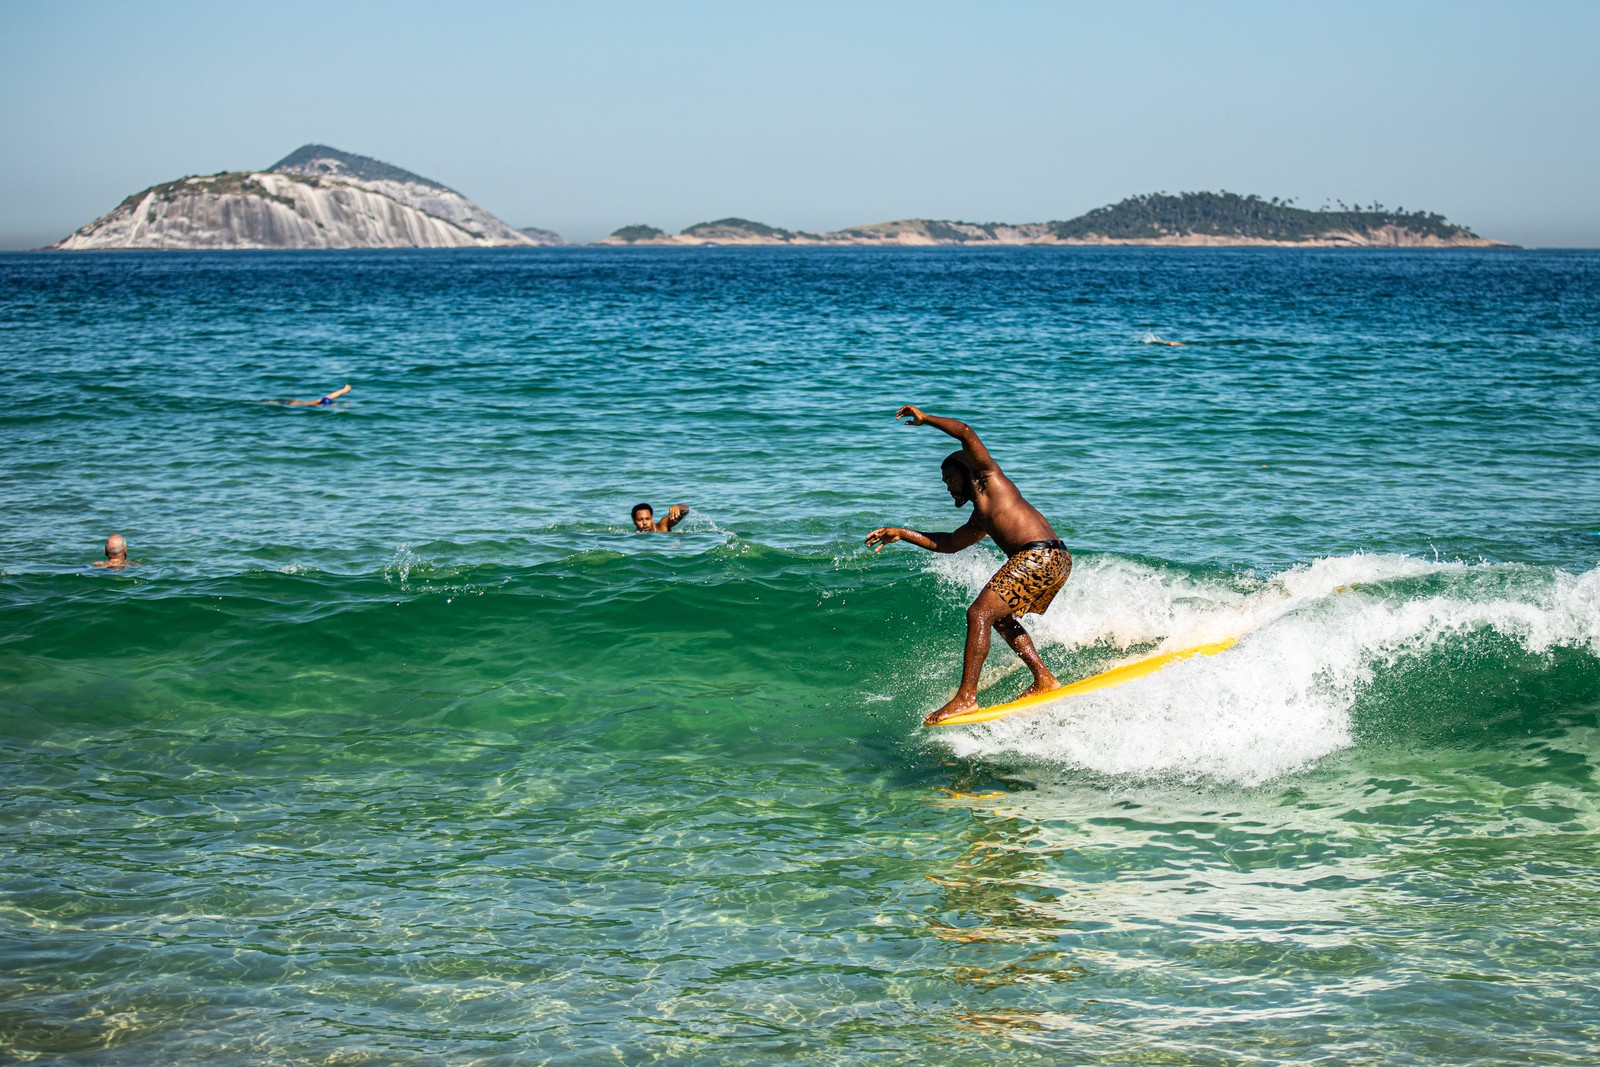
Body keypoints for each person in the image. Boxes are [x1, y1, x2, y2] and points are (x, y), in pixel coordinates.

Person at [866, 405, 1071, 725]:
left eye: (950, 479)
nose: (947, 487)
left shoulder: (990, 478)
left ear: (967, 471)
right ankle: (1044, 678)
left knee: (979, 613)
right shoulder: (982, 516)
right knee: (997, 618)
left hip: (1040, 555)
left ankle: (966, 699)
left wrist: (927, 419)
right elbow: (949, 543)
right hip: (1056, 558)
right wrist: (902, 534)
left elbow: (964, 431)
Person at [284, 384, 352, 407]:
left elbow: (330, 396)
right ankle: (344, 390)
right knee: (328, 398)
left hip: (323, 403)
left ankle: (344, 390)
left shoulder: (312, 404)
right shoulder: (314, 403)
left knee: (328, 398)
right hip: (323, 403)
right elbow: (331, 396)